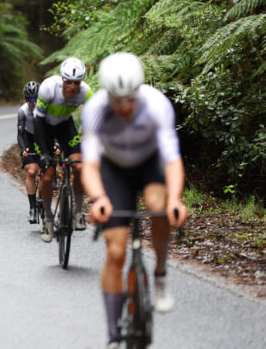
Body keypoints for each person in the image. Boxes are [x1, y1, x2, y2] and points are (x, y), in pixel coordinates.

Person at [80, 52, 188, 348]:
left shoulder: (156, 105)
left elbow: (172, 161)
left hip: (150, 163)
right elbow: (89, 166)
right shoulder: (95, 109)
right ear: (107, 94)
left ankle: (161, 273)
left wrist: (176, 200)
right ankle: (114, 335)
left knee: (159, 206)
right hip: (113, 168)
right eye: (118, 100)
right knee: (115, 252)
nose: (125, 106)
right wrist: (98, 198)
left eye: (131, 98)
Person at [34, 57, 93, 242]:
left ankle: (77, 213)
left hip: (65, 127)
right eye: (68, 82)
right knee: (48, 175)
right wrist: (44, 153)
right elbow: (38, 121)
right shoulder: (48, 88)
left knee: (79, 167)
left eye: (77, 83)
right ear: (62, 78)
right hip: (44, 128)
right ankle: (48, 219)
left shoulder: (85, 92)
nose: (73, 87)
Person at [17, 81, 41, 223]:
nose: (33, 102)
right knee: (31, 172)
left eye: (36, 99)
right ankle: (32, 207)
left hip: (44, 136)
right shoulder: (23, 111)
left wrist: (56, 145)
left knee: (49, 166)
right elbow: (20, 134)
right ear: (25, 99)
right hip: (29, 138)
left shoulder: (47, 109)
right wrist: (23, 149)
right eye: (30, 100)